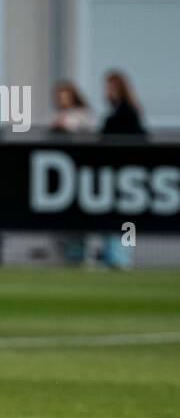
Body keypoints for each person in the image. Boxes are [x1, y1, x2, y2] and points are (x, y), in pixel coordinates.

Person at [100, 70, 146, 269]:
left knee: (126, 217)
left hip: (126, 172)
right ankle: (113, 254)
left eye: (110, 87)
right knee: (112, 215)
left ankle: (123, 256)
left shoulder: (128, 112)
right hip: (113, 172)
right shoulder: (116, 111)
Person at [50, 81, 94, 265]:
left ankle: (82, 256)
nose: (62, 101)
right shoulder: (56, 117)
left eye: (65, 97)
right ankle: (65, 257)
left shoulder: (83, 116)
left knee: (80, 221)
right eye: (59, 98)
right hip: (61, 179)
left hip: (80, 177)